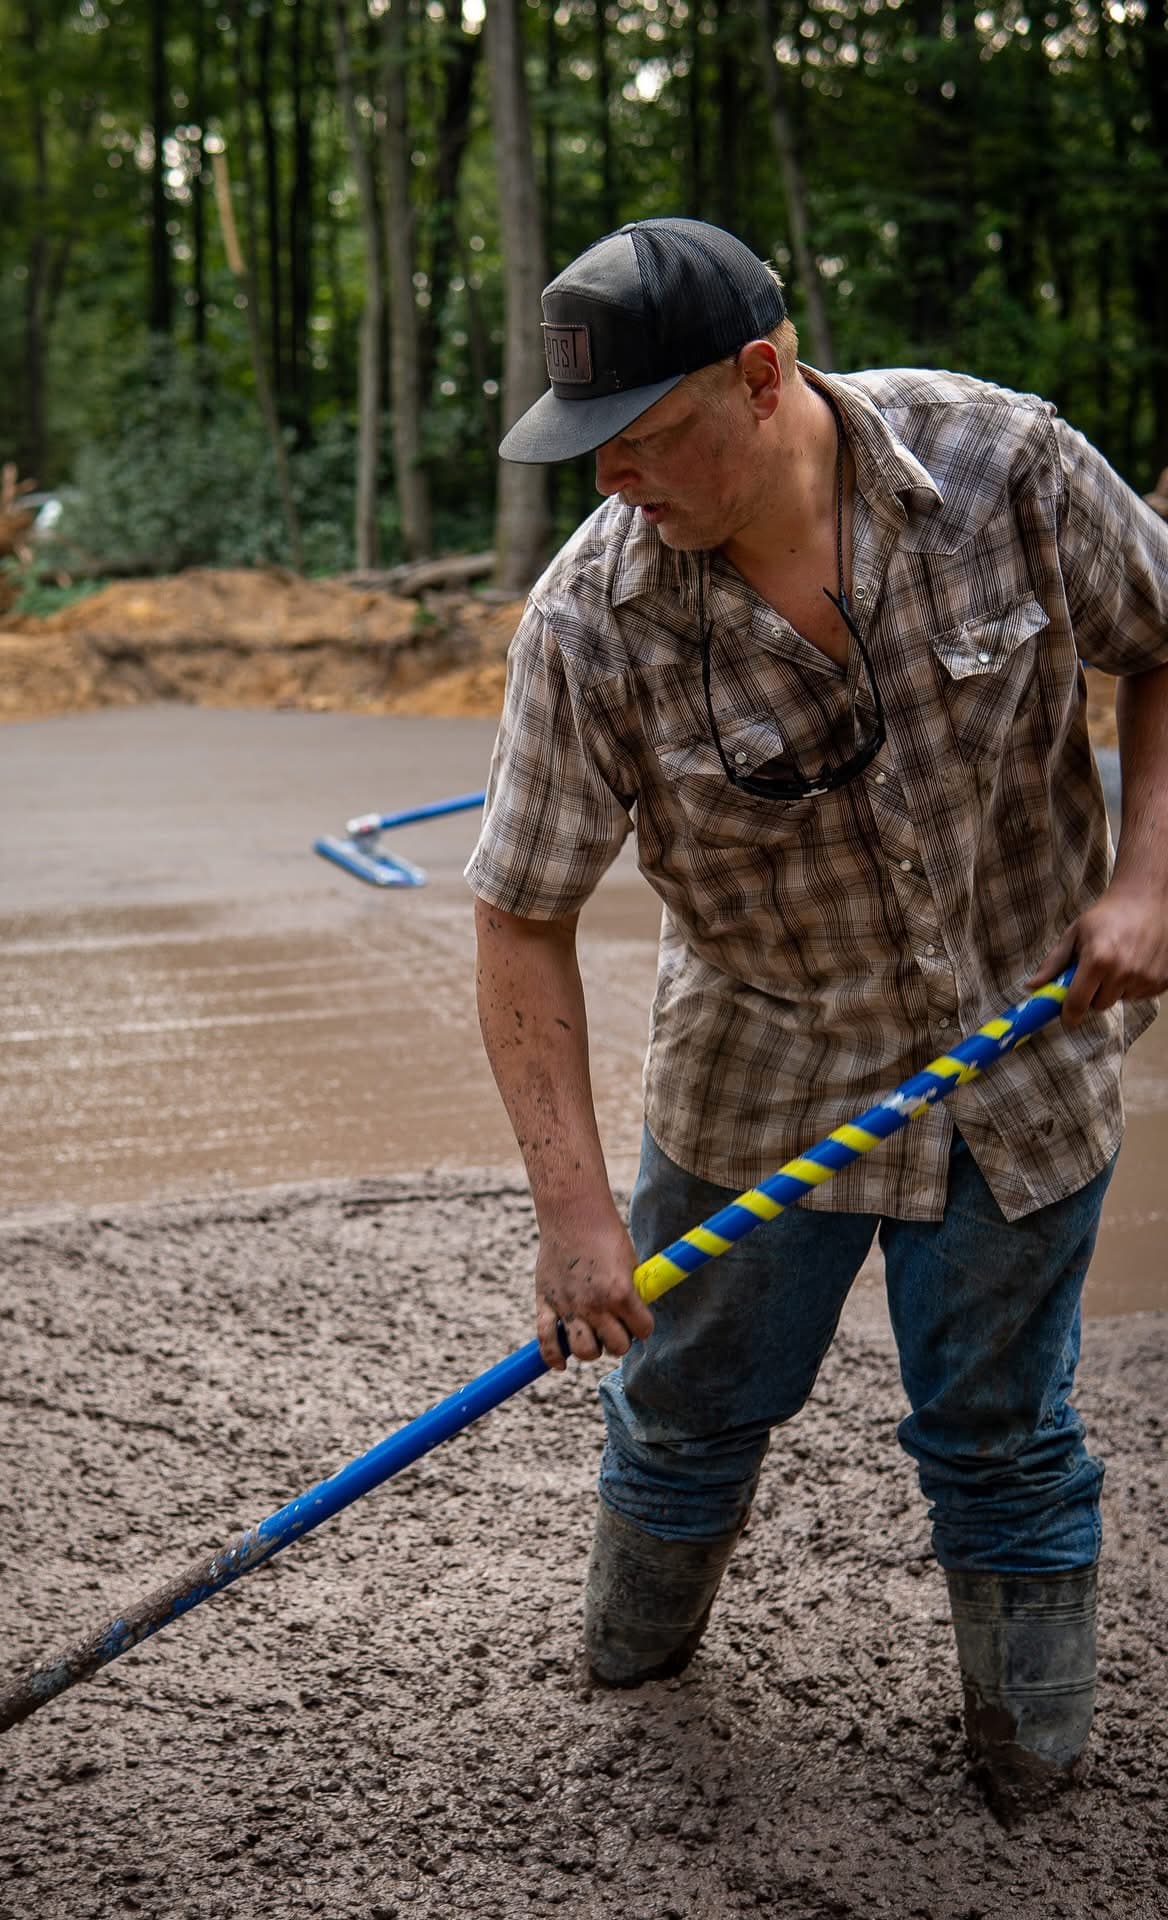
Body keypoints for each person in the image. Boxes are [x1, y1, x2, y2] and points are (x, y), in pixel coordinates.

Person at [465, 217, 1168, 1822]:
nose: (605, 485)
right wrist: (571, 1212)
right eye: (584, 450)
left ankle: (1032, 1766)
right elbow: (519, 914)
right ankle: (632, 1679)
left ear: (764, 378)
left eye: (636, 442)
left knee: (1001, 1429)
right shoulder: (593, 623)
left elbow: (1164, 645)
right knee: (689, 1406)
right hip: (760, 1069)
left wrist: (1148, 880)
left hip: (1023, 1053)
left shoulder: (1009, 468)